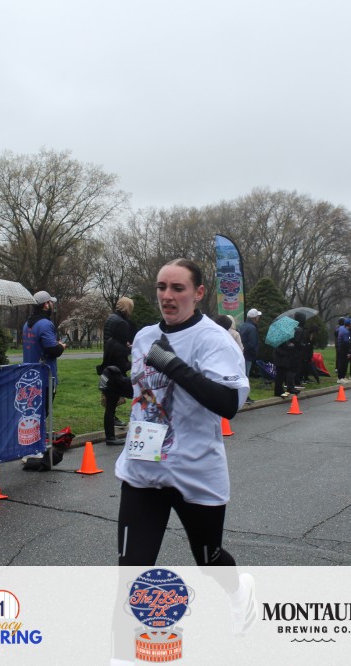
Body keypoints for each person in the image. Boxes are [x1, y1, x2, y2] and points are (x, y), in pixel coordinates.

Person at [98, 258, 255, 636]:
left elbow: (228, 404)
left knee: (208, 559)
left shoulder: (213, 339)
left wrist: (173, 365)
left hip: (194, 471)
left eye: (177, 288)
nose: (167, 296)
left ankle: (239, 592)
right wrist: (120, 385)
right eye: (162, 287)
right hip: (143, 469)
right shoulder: (144, 336)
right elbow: (149, 394)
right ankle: (126, 655)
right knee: (132, 571)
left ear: (198, 293)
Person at [101, 297, 135, 447]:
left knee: (110, 406)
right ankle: (112, 437)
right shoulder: (120, 323)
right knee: (135, 395)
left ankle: (110, 436)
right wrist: (133, 362)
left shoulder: (110, 341)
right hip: (116, 375)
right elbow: (123, 364)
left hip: (108, 372)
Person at [22, 290, 66, 400]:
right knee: (45, 408)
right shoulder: (46, 324)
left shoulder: (27, 324)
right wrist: (61, 346)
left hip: (28, 376)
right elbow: (52, 351)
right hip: (45, 378)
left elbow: (38, 344)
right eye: (51, 302)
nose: (52, 305)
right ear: (46, 305)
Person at [272, 314, 305, 398]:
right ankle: (278, 391)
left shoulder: (281, 333)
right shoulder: (281, 334)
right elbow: (283, 345)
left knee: (281, 374)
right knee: (280, 374)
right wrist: (290, 345)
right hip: (281, 356)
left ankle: (280, 390)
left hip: (282, 356)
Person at [239, 309, 261, 383]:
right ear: (254, 317)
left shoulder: (242, 326)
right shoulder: (252, 328)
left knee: (242, 373)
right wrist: (255, 353)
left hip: (242, 353)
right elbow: (252, 343)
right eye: (258, 316)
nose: (259, 317)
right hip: (248, 355)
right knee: (246, 375)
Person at [335, 318, 350, 383]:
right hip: (343, 348)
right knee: (343, 363)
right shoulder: (346, 332)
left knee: (342, 362)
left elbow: (335, 332)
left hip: (340, 346)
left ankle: (343, 377)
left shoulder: (341, 328)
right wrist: (348, 352)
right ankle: (340, 378)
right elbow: (346, 342)